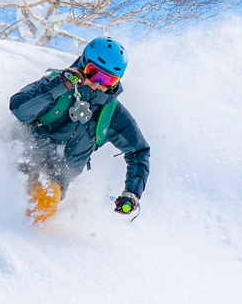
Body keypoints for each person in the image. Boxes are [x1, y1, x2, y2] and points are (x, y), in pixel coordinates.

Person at [9, 37, 150, 223]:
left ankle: (19, 238)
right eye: (93, 73)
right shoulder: (55, 84)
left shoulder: (111, 113)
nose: (98, 83)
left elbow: (139, 151)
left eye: (108, 79)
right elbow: (19, 109)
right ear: (82, 63)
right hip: (14, 161)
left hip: (52, 181)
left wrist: (132, 192)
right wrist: (61, 85)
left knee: (42, 203)